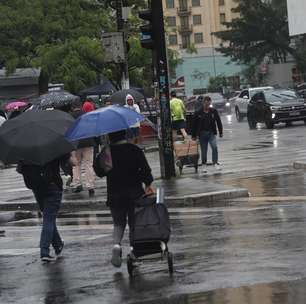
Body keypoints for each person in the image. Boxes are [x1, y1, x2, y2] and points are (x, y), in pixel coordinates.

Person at [106, 130, 154, 267]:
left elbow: (100, 170)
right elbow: (146, 170)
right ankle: (134, 252)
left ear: (110, 137)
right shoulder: (134, 149)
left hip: (115, 194)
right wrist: (147, 183)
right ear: (124, 135)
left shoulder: (107, 152)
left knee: (118, 223)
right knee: (134, 224)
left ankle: (116, 245)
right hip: (134, 193)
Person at [17, 155, 71, 262]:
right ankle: (44, 251)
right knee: (49, 219)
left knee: (48, 217)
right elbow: (67, 160)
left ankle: (58, 244)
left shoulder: (25, 149)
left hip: (37, 187)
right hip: (52, 185)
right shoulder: (51, 146)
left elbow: (20, 169)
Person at [192, 96, 223, 173]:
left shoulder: (213, 111)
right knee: (204, 150)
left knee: (214, 147)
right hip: (202, 134)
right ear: (203, 103)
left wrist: (220, 132)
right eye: (206, 104)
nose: (207, 106)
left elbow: (218, 121)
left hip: (211, 133)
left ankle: (215, 163)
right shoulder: (198, 112)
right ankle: (204, 165)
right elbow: (194, 124)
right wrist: (194, 135)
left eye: (209, 104)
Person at [71, 103, 96, 197]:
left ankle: (77, 184)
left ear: (73, 107)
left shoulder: (69, 116)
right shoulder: (86, 115)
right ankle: (90, 186)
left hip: (75, 143)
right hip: (88, 141)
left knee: (76, 164)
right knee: (88, 164)